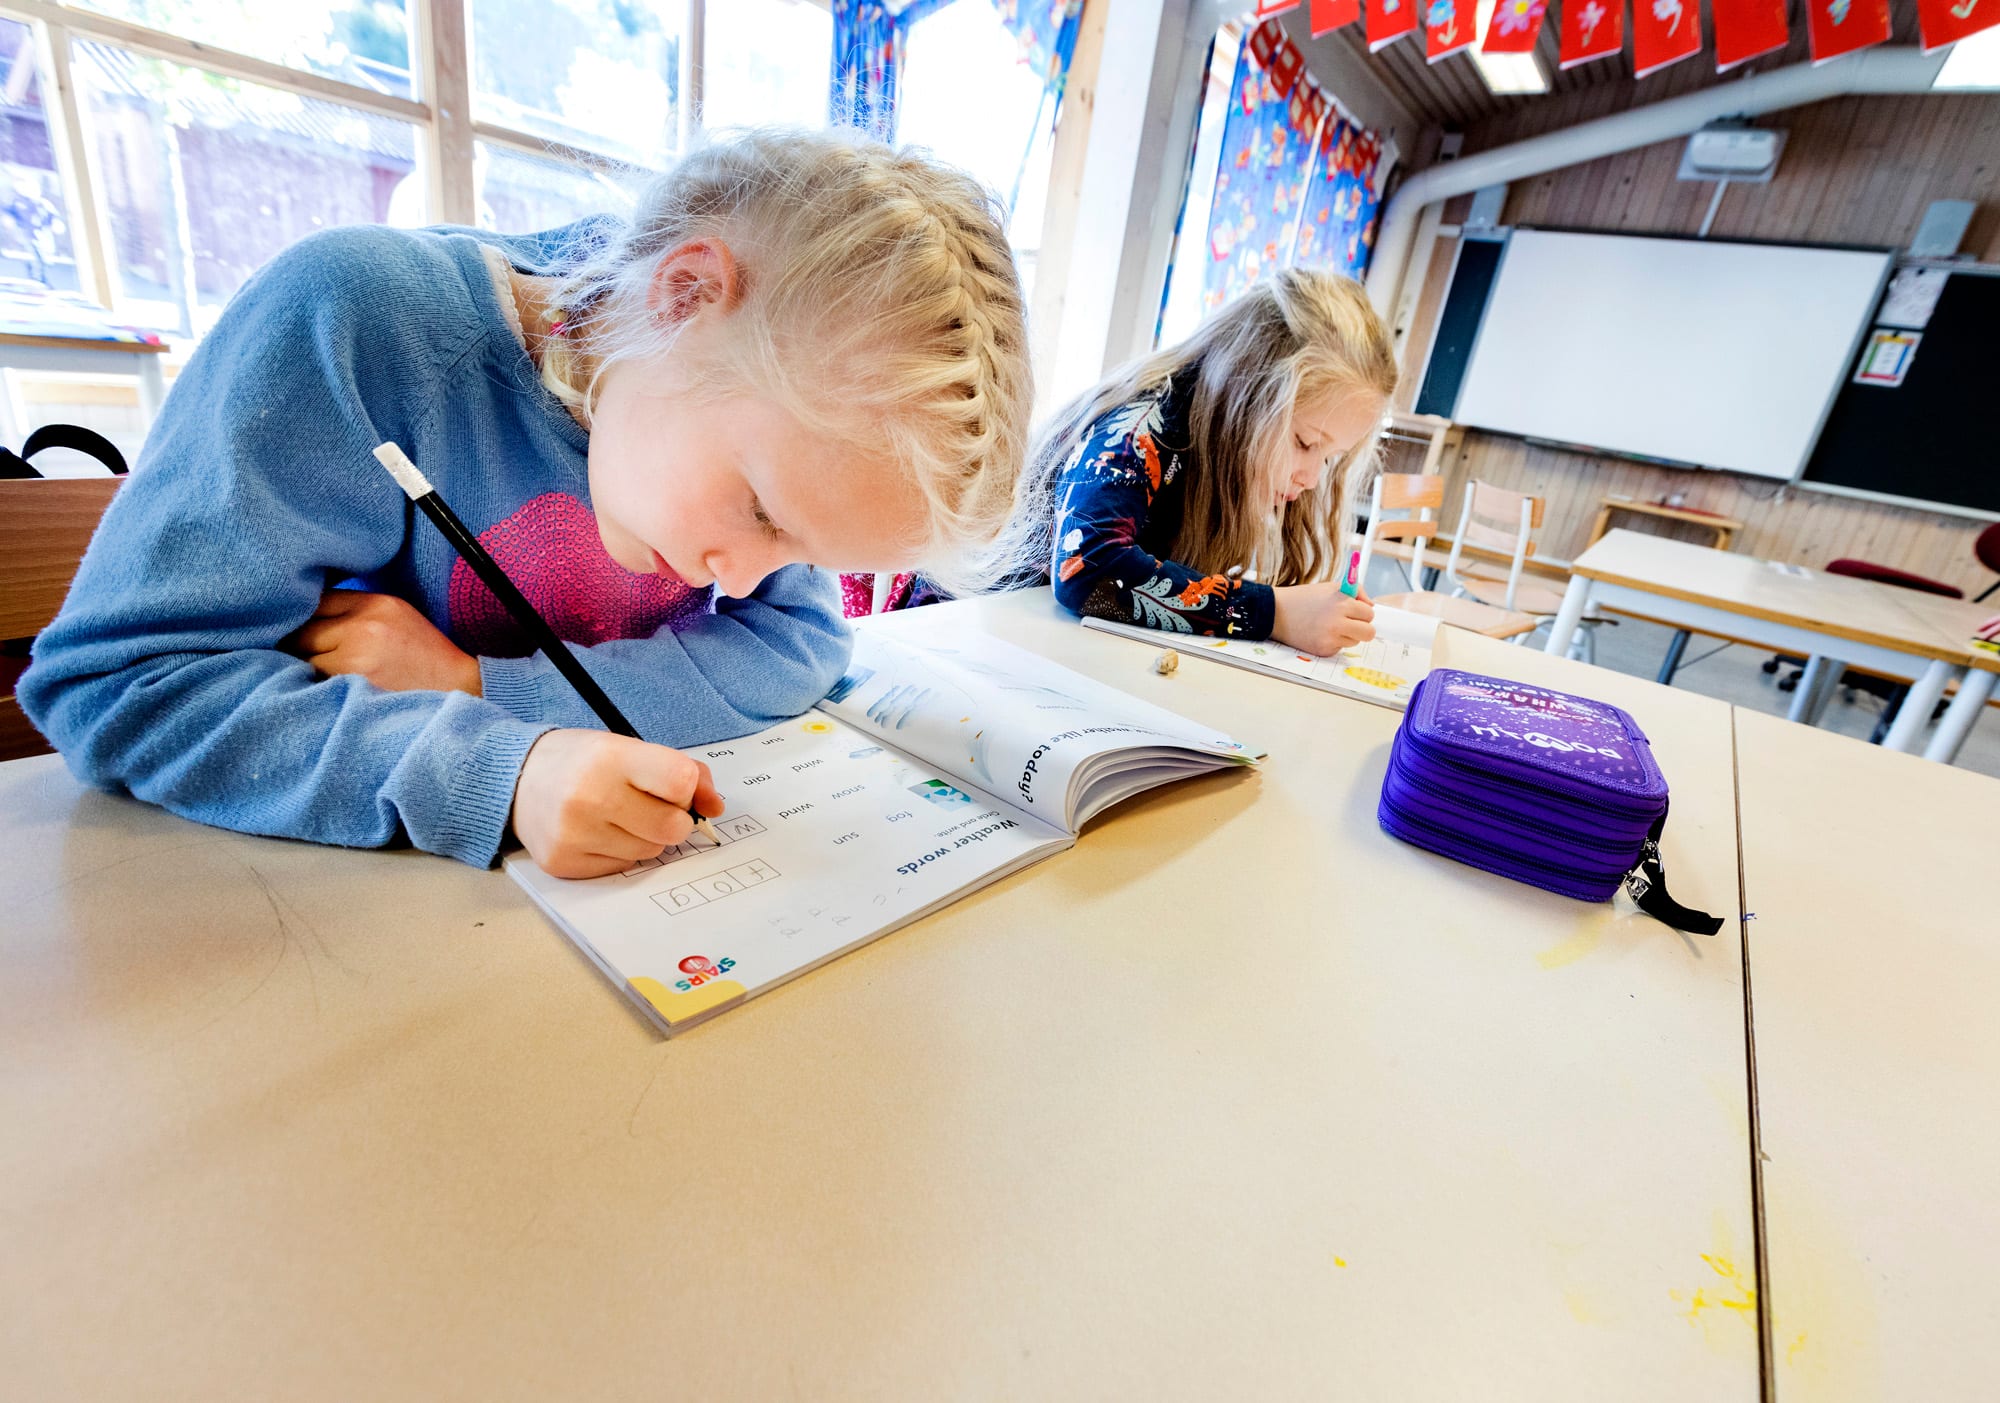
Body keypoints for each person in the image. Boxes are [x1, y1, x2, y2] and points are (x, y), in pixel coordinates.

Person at [21, 129, 1034, 879]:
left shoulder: (772, 433)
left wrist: (476, 684)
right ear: (682, 297)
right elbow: (121, 683)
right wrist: (498, 770)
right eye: (763, 511)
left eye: (802, 552)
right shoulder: (352, 322)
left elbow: (799, 642)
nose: (741, 580)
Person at [1035, 267, 1395, 657]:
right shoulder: (1141, 429)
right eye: (1305, 443)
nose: (1311, 478)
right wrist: (1274, 613)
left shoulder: (1216, 457)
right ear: (1246, 395)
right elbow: (1087, 567)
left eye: (1328, 458)